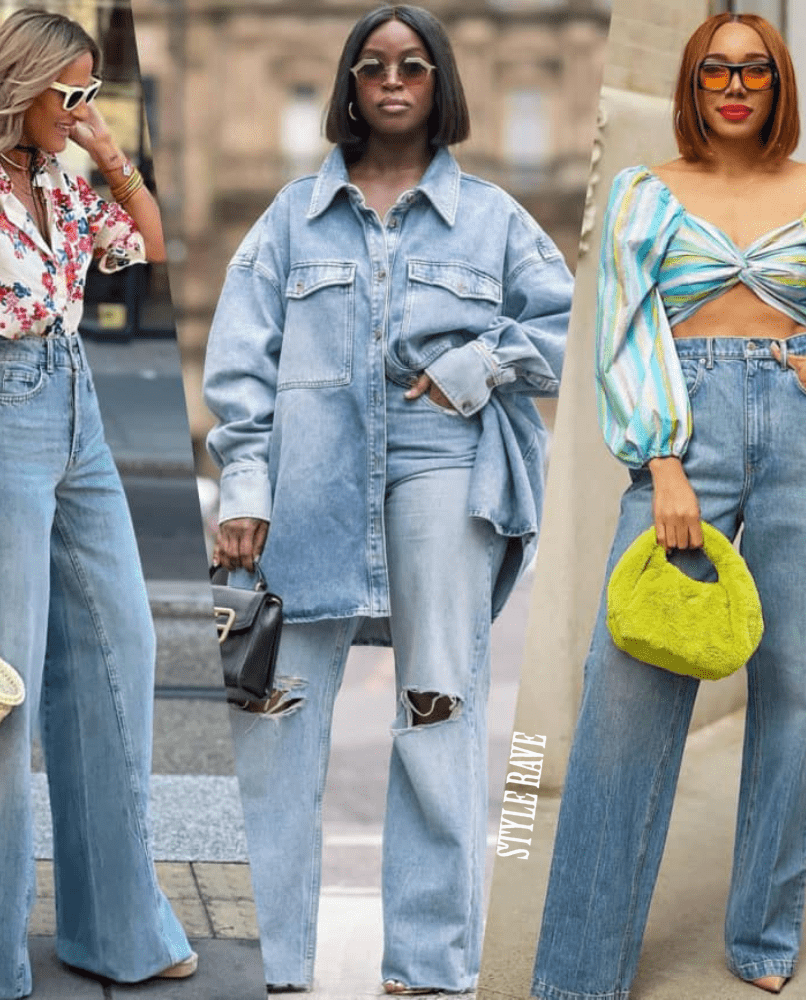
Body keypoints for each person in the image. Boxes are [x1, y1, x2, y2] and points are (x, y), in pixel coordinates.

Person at [203, 4, 573, 992]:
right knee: (272, 715)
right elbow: (241, 363)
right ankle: (273, 960)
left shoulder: (493, 218)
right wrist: (243, 485)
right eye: (372, 65)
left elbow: (570, 332)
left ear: (438, 81)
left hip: (443, 471)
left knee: (437, 711)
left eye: (412, 64)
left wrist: (475, 364)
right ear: (350, 87)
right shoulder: (290, 215)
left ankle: (430, 964)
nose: (393, 79)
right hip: (308, 483)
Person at [530, 12, 806, 1000]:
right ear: (690, 85)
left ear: (778, 85)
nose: (733, 85)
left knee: (794, 690)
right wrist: (664, 465)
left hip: (805, 430)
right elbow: (620, 328)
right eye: (715, 70)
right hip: (683, 428)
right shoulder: (647, 194)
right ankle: (578, 969)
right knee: (627, 688)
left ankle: (763, 936)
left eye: (752, 70)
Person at [0, 10, 196, 998]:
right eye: (70, 93)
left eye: (91, 94)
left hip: (79, 411)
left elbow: (147, 246)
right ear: (20, 86)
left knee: (120, 653)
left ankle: (117, 929)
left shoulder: (61, 179)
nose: (82, 109)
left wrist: (107, 148)